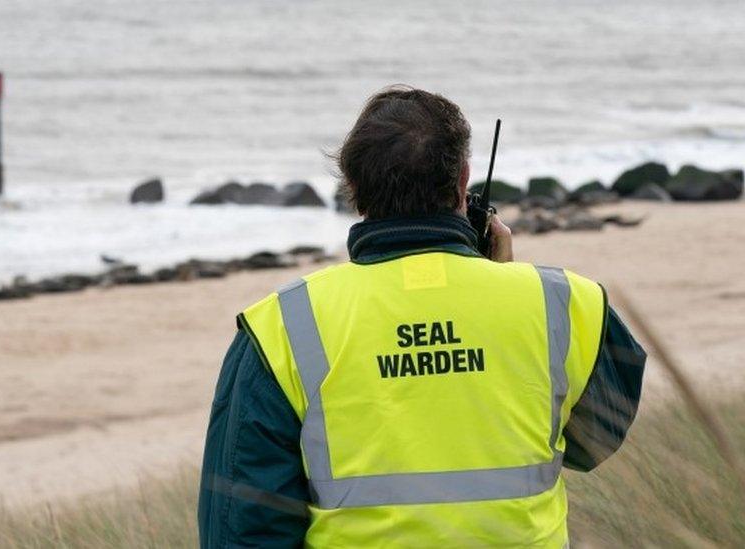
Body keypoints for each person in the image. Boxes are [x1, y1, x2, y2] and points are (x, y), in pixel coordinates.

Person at [197, 86, 646, 548]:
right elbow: (595, 441)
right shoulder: (566, 302)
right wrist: (502, 295)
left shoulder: (282, 326)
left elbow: (241, 530)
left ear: (354, 190)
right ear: (462, 181)